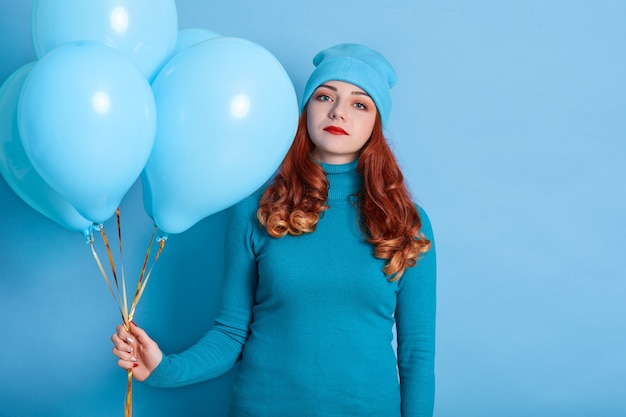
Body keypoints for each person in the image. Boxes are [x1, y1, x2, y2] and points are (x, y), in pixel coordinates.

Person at [112, 43, 437, 417]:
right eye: (324, 96)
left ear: (376, 123)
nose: (338, 112)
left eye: (359, 104)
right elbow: (231, 333)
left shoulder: (407, 222)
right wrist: (164, 369)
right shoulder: (255, 209)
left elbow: (416, 356)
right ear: (305, 110)